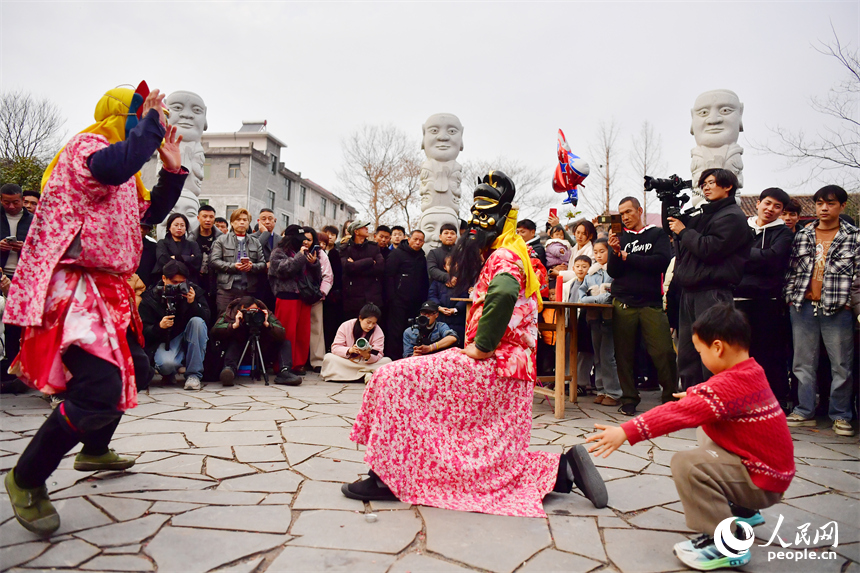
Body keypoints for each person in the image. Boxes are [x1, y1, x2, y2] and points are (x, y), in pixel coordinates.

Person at [342, 171, 607, 517]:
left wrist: (481, 346)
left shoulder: (505, 258)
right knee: (468, 440)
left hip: (492, 366)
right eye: (474, 211)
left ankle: (385, 478)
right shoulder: (508, 252)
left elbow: (506, 291)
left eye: (485, 212)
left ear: (504, 217)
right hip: (507, 369)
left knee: (393, 379)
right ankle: (560, 471)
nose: (474, 221)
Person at [3, 85, 186, 535]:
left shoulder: (125, 174)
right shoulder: (87, 149)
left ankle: (94, 449)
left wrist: (173, 169)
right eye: (139, 116)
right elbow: (119, 162)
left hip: (110, 290)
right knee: (98, 387)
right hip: (75, 287)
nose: (149, 127)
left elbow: (152, 212)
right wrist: (150, 125)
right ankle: (25, 478)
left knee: (136, 370)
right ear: (120, 115)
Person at [586, 304, 795, 572]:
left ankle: (725, 545)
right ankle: (743, 511)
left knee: (688, 465)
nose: (700, 356)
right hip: (769, 473)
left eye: (700, 351)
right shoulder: (751, 371)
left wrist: (626, 430)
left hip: (762, 481)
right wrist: (698, 394)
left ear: (717, 347)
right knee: (706, 430)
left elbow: (678, 412)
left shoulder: (726, 387)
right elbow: (719, 397)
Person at [666, 168, 753, 389]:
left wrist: (684, 231)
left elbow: (709, 249)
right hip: (690, 291)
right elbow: (675, 229)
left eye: (711, 182)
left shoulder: (733, 216)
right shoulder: (704, 213)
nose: (706, 186)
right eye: (703, 183)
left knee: (713, 354)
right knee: (687, 354)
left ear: (728, 186)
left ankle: (716, 404)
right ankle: (692, 405)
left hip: (713, 292)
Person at [783, 185, 858, 436]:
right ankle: (805, 411)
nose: (824, 208)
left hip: (838, 307)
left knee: (841, 365)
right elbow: (792, 270)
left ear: (842, 206)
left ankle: (841, 415)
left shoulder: (853, 237)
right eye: (819, 203)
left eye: (831, 203)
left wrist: (850, 304)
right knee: (802, 363)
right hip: (803, 306)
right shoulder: (803, 234)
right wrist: (790, 298)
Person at [607, 197, 677, 416]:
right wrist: (616, 253)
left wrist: (628, 256)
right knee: (624, 354)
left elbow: (660, 262)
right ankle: (629, 398)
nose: (625, 217)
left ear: (640, 210)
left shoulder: (656, 234)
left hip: (651, 303)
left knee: (663, 352)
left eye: (629, 212)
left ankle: (670, 398)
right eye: (621, 213)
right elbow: (613, 272)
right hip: (623, 303)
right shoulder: (618, 236)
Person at [734, 188, 793, 408]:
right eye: (767, 203)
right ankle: (739, 397)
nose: (770, 209)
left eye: (777, 206)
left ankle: (772, 400)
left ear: (782, 211)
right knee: (739, 353)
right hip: (737, 300)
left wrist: (742, 256)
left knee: (767, 354)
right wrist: (758, 257)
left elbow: (774, 259)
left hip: (767, 303)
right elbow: (728, 253)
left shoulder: (784, 233)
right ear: (758, 203)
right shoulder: (742, 227)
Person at [139, 260, 209, 390]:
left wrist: (192, 303)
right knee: (166, 365)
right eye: (174, 283)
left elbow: (206, 320)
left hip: (189, 335)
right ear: (164, 278)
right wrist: (159, 327)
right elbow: (143, 331)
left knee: (197, 322)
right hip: (165, 339)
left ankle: (194, 375)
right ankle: (169, 373)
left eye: (181, 283)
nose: (178, 286)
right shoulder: (151, 297)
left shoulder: (193, 291)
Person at [211, 295, 302, 386]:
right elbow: (215, 331)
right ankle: (229, 371)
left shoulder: (263, 312)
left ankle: (285, 372)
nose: (251, 315)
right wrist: (234, 325)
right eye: (248, 312)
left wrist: (267, 324)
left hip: (262, 351)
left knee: (285, 342)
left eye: (254, 311)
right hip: (240, 351)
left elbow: (282, 332)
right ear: (240, 310)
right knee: (234, 342)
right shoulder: (231, 313)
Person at [269, 225, 322, 375]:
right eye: (299, 240)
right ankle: (283, 365)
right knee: (287, 333)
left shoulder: (304, 253)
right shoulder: (278, 252)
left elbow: (316, 277)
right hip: (286, 296)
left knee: (302, 334)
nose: (303, 243)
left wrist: (314, 264)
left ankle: (298, 364)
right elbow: (283, 270)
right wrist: (299, 256)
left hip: (303, 296)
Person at [0, 183, 35, 393]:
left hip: (23, 277)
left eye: (15, 202)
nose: (11, 206)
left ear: (22, 200)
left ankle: (15, 374)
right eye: (6, 202)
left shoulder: (33, 220)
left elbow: (44, 247)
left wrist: (26, 248)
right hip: (2, 273)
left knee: (16, 325)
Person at [579, 239, 621, 406]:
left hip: (610, 318)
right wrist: (597, 299)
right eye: (595, 252)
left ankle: (614, 392)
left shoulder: (614, 271)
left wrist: (593, 299)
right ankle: (601, 389)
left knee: (608, 355)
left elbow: (611, 296)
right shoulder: (590, 274)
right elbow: (582, 297)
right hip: (594, 318)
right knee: (597, 354)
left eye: (602, 251)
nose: (598, 255)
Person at [209, 208, 267, 314]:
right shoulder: (221, 240)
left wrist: (252, 266)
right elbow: (214, 261)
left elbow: (263, 264)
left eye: (245, 220)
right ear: (232, 222)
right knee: (224, 320)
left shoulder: (255, 242)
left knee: (246, 321)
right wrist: (233, 266)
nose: (241, 222)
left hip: (248, 289)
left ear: (248, 223)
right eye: (238, 219)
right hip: (226, 289)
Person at [384, 229, 430, 359]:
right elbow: (388, 276)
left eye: (421, 240)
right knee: (396, 332)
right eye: (415, 239)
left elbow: (424, 279)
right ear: (408, 239)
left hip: (415, 302)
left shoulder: (422, 256)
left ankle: (408, 358)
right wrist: (392, 297)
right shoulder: (397, 254)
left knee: (412, 332)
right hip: (397, 301)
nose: (417, 242)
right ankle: (393, 359)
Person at [321, 303, 391, 383]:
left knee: (387, 361)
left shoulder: (378, 331)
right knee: (329, 357)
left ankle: (355, 375)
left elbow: (379, 353)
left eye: (374, 323)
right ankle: (366, 374)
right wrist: (350, 350)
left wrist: (367, 355)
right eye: (368, 322)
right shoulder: (346, 326)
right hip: (348, 362)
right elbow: (335, 347)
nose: (370, 326)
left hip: (366, 363)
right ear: (360, 318)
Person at [340, 220, 384, 320]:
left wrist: (356, 265)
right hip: (353, 297)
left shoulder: (373, 247)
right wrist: (369, 261)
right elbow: (347, 268)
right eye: (364, 227)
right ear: (356, 231)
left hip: (372, 295)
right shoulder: (345, 249)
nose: (367, 229)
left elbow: (380, 267)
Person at [568, 255, 595, 396]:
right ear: (573, 268)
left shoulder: (591, 283)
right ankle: (570, 380)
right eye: (578, 266)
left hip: (586, 320)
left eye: (584, 267)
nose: (580, 269)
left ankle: (582, 383)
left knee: (586, 352)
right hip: (573, 321)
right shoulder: (572, 284)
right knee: (572, 351)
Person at [190, 205, 222, 320]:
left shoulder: (221, 238)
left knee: (214, 313)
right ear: (198, 218)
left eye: (211, 217)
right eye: (204, 216)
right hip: (195, 279)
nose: (208, 220)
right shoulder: (191, 237)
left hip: (215, 281)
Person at [427, 256, 466, 345]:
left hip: (458, 320)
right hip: (440, 318)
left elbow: (465, 297)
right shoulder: (437, 281)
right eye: (449, 265)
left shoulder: (464, 281)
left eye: (454, 265)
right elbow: (432, 295)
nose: (452, 267)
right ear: (444, 267)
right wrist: (439, 308)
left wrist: (456, 309)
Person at [154, 212, 202, 284]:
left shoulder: (192, 244)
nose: (179, 228)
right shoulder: (162, 243)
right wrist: (188, 258)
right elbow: (163, 260)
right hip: (167, 282)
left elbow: (197, 261)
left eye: (182, 225)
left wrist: (176, 257)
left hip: (189, 281)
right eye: (176, 225)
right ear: (169, 227)